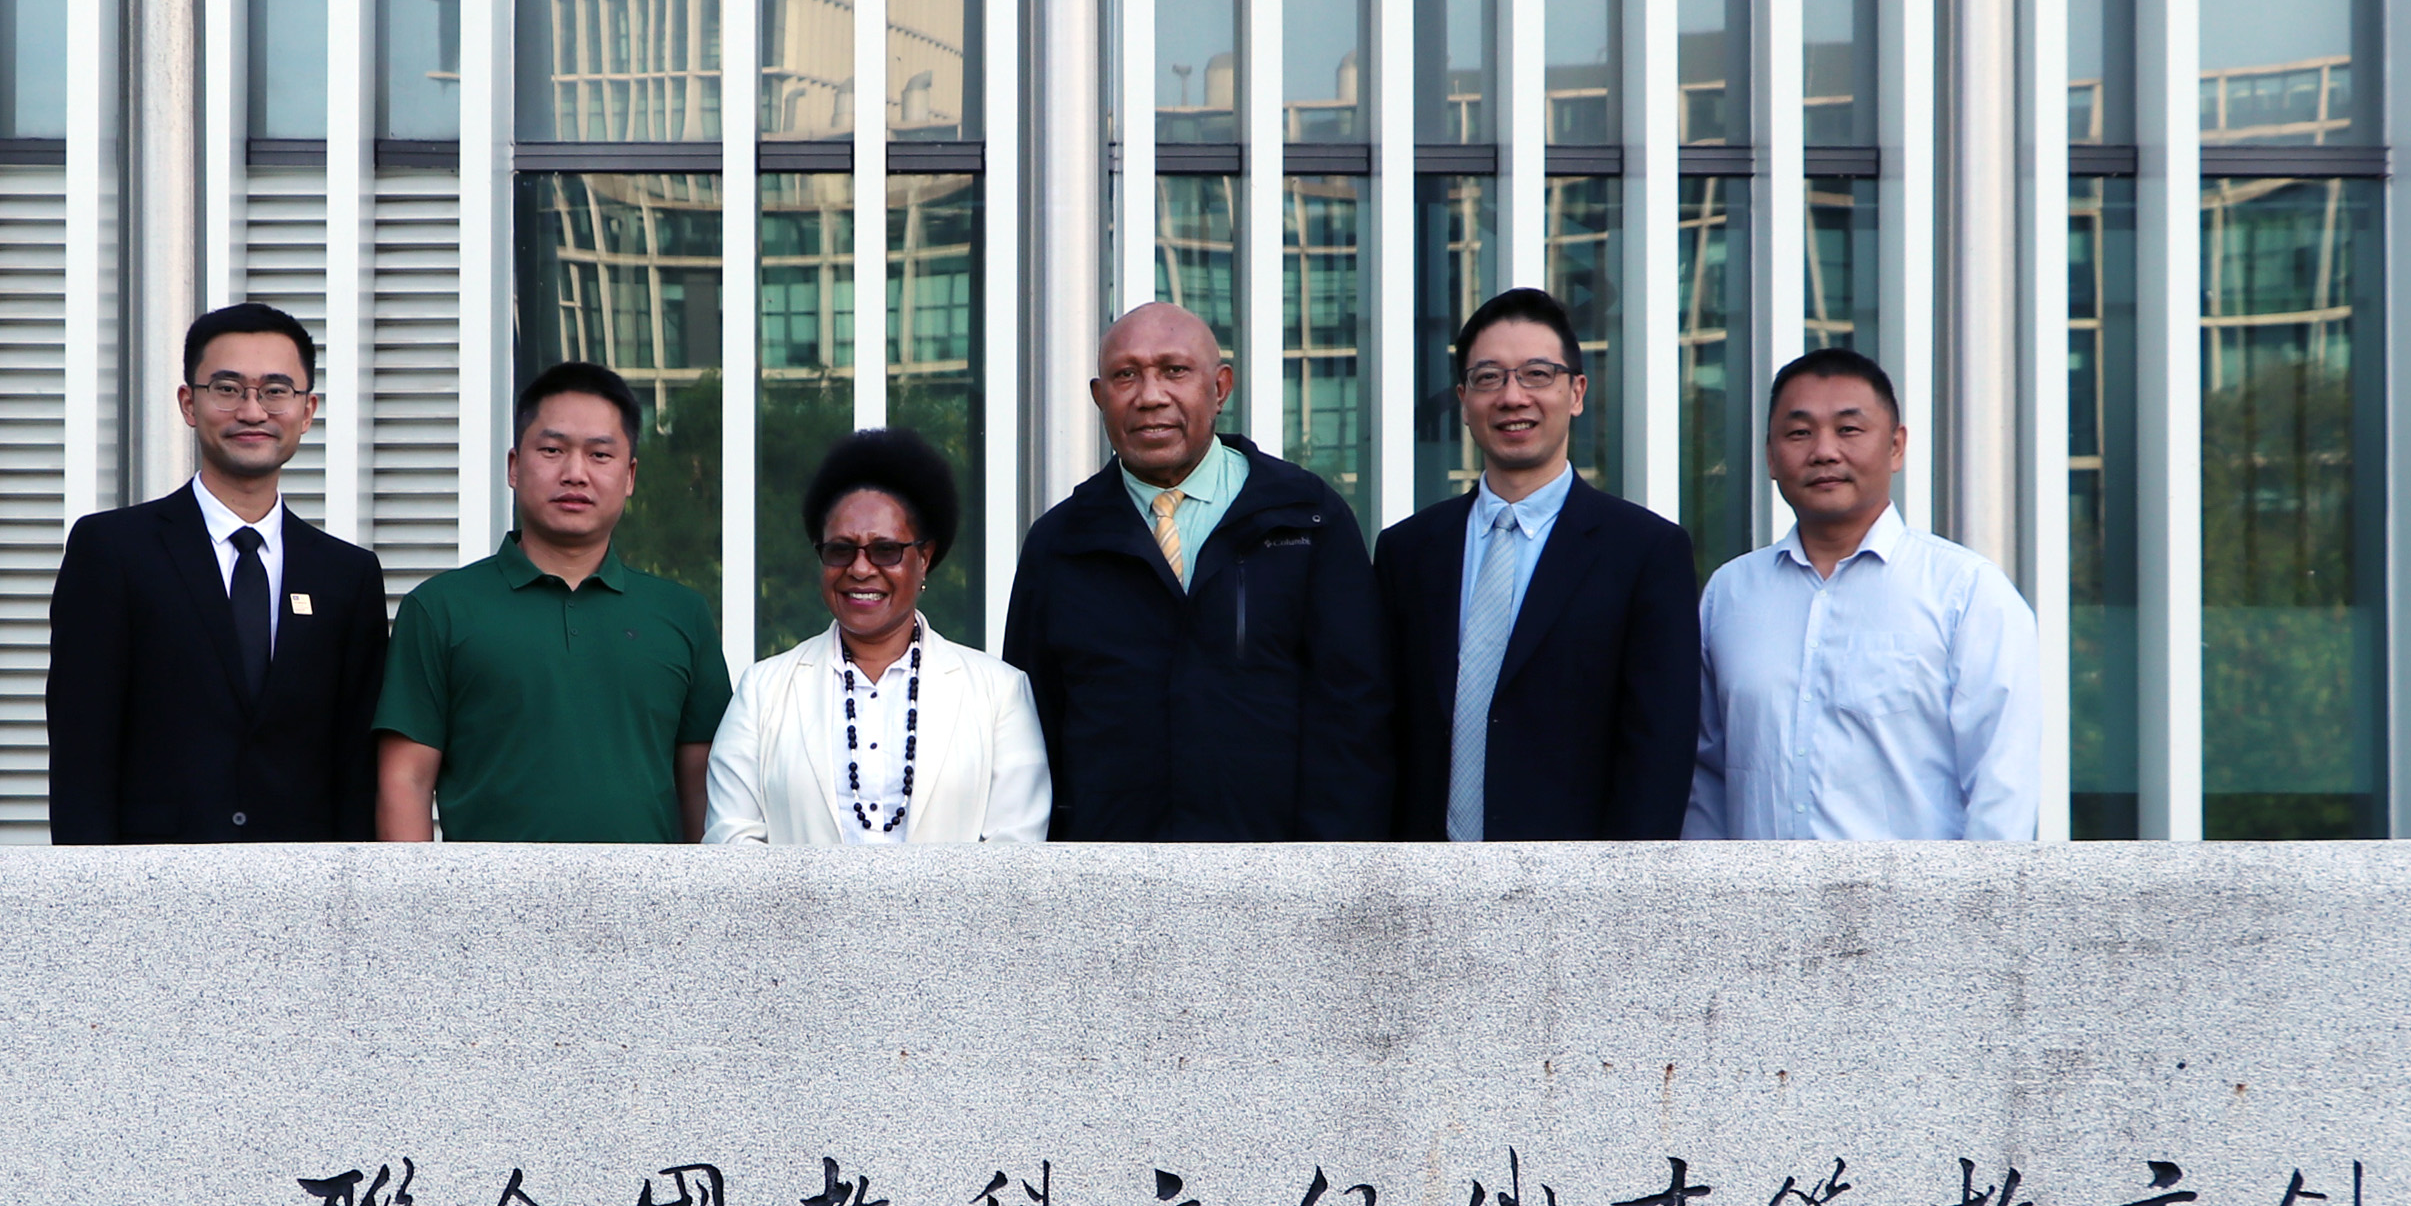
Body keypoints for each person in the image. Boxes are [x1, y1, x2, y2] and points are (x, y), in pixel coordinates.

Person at [998, 301, 1388, 841]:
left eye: (1174, 370)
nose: (1150, 395)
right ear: (1099, 397)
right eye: (1125, 375)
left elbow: (1355, 710)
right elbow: (1032, 724)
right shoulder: (1060, 543)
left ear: (1220, 388)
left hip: (1279, 870)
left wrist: (1329, 864)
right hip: (1108, 872)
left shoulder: (1307, 517)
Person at [46, 301, 393, 843]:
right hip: (151, 875)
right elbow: (81, 749)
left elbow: (355, 767)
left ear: (307, 411)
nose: (252, 411)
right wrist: (91, 883)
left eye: (276, 391)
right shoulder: (113, 551)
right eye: (227, 389)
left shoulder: (346, 575)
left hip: (303, 878)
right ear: (189, 403)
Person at [1375, 287, 1698, 841]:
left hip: (1577, 880)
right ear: (1464, 400)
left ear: (1576, 393)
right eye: (1488, 378)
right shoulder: (1406, 552)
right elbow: (1381, 728)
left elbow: (1659, 750)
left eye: (1537, 375)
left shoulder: (1646, 552)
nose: (1512, 396)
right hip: (1422, 876)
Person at [1687, 345, 2037, 841]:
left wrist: (1977, 892)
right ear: (1770, 456)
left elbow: (2003, 784)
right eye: (1799, 433)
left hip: (1916, 891)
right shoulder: (1730, 594)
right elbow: (1705, 777)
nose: (1824, 451)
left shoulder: (1965, 591)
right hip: (1760, 892)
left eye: (1849, 429)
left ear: (1896, 447)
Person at [374, 360, 731, 842]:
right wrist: (415, 892)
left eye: (600, 455)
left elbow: (703, 790)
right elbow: (406, 781)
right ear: (514, 466)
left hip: (647, 892)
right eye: (552, 450)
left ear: (629, 476)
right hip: (487, 891)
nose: (575, 473)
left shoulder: (681, 614)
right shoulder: (440, 609)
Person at [702, 428, 1050, 844]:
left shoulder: (999, 694)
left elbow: (1014, 853)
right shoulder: (763, 692)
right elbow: (732, 841)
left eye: (885, 550)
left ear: (924, 558)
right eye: (840, 549)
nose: (861, 569)